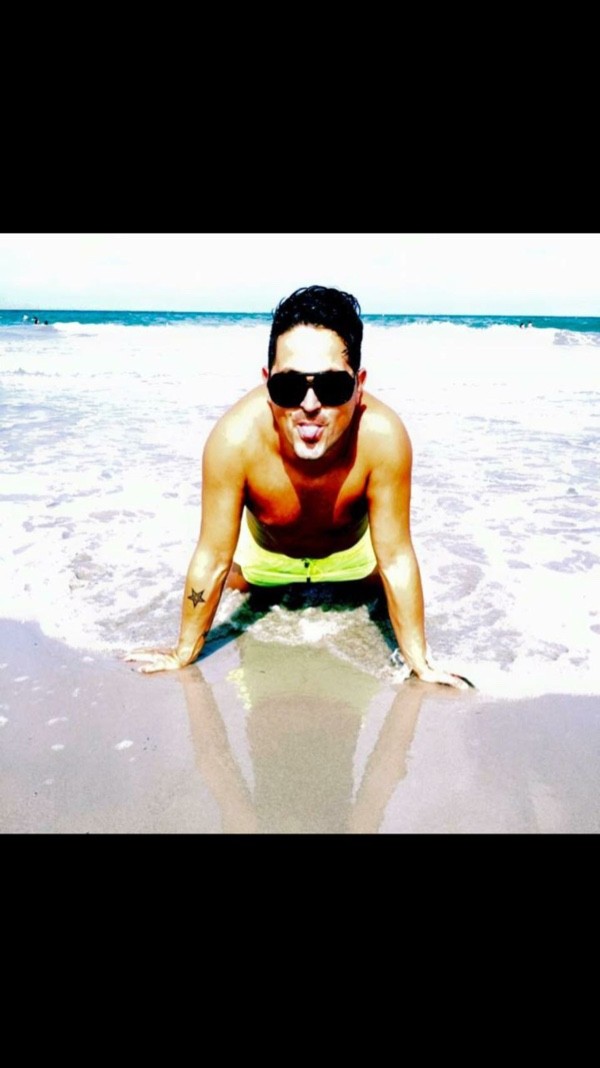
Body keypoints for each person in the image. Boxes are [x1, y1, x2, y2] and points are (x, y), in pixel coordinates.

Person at [126, 285, 472, 689]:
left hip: (354, 565)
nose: (309, 405)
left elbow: (395, 559)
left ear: (359, 385)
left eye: (332, 387)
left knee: (369, 625)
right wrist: (184, 650)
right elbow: (213, 557)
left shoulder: (383, 438)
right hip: (263, 567)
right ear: (267, 383)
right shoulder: (234, 440)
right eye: (289, 387)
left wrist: (421, 663)